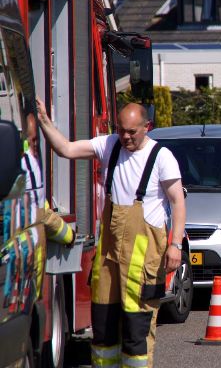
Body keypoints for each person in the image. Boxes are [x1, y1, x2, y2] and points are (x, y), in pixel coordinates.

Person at [36, 98, 185, 367]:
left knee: (136, 331)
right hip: (108, 257)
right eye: (121, 130)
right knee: (103, 329)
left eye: (132, 132)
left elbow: (178, 201)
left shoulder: (162, 157)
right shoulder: (109, 145)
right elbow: (66, 149)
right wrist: (45, 120)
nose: (125, 137)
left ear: (147, 127)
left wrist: (175, 244)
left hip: (142, 265)